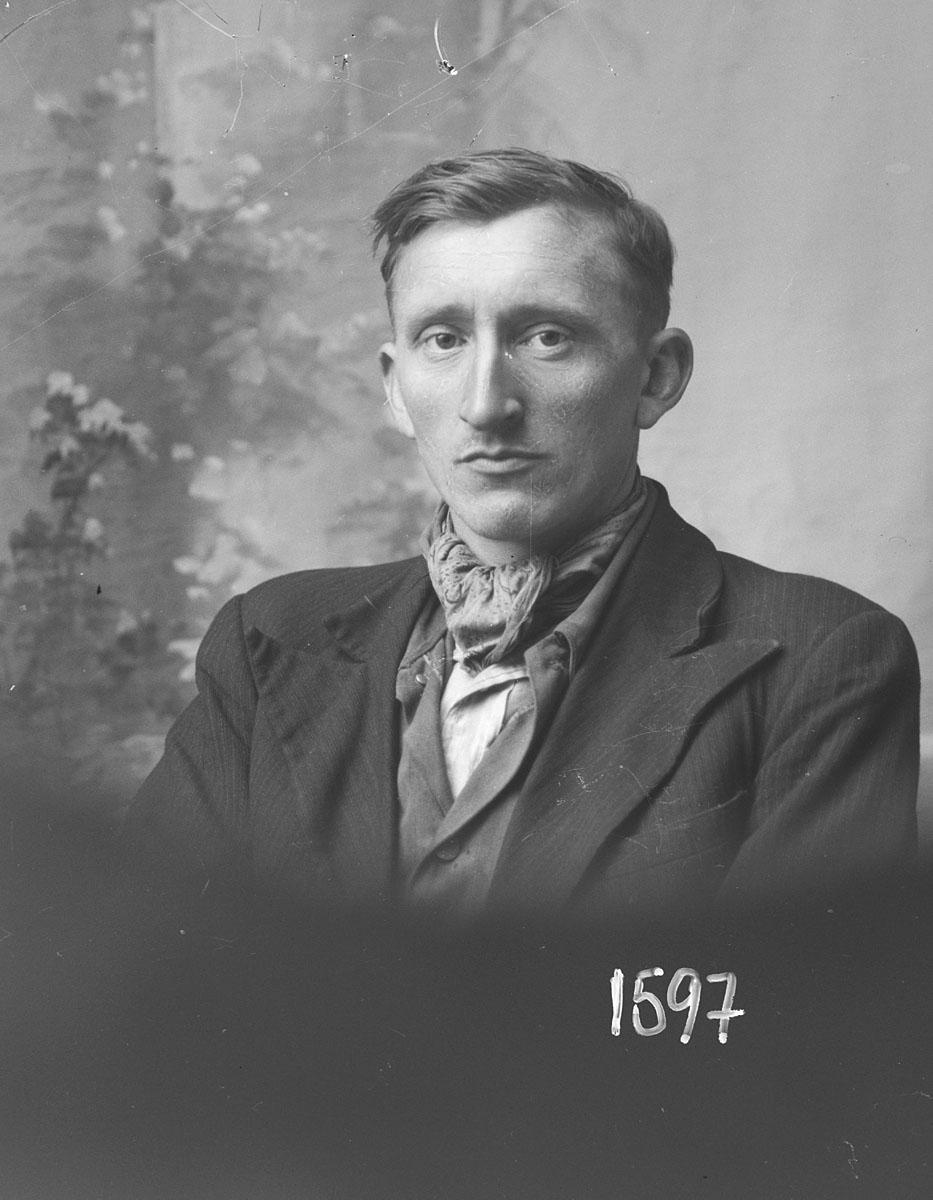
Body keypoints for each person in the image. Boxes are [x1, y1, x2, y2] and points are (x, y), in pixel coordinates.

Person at [125, 148, 920, 923]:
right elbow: (149, 963)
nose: (485, 405)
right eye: (443, 339)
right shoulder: (269, 639)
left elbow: (779, 1002)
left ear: (656, 377)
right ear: (395, 388)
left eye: (546, 337)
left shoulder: (822, 657)